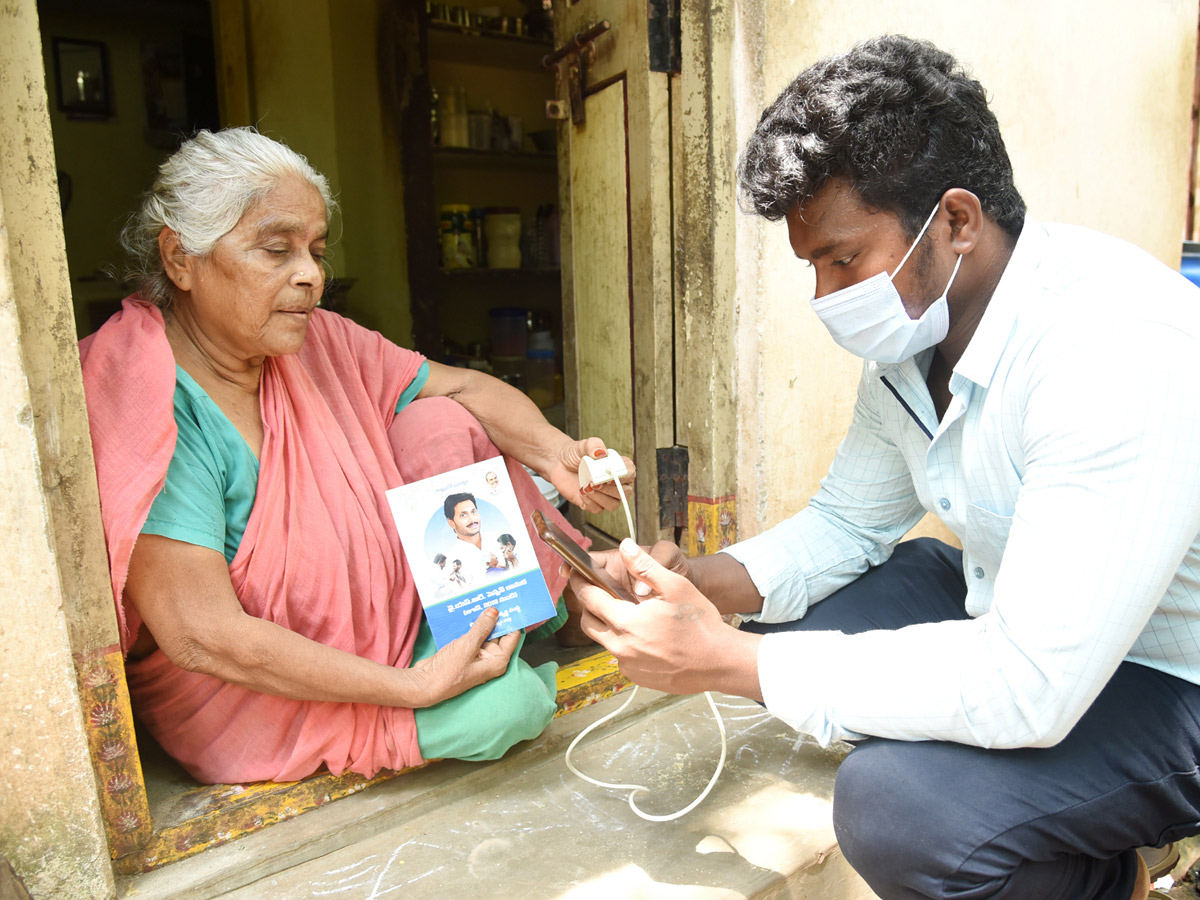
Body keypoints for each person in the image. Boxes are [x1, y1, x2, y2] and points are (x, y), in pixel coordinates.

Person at [573, 35, 1200, 900]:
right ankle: (1051, 815)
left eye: (844, 259)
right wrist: (697, 585)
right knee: (821, 618)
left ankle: (1103, 877)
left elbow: (1030, 685)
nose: (827, 298)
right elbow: (846, 525)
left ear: (954, 221)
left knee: (899, 809)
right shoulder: (916, 344)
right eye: (813, 268)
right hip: (1021, 609)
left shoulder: (1116, 350)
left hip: (1171, 680)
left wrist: (722, 662)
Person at [79, 126, 634, 785]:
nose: (311, 275)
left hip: (381, 621)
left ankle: (536, 612)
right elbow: (203, 636)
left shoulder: (318, 343)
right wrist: (412, 687)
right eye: (276, 249)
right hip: (257, 694)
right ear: (180, 259)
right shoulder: (144, 397)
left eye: (315, 250)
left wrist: (558, 454)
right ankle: (529, 626)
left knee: (437, 421)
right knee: (509, 705)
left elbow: (466, 386)